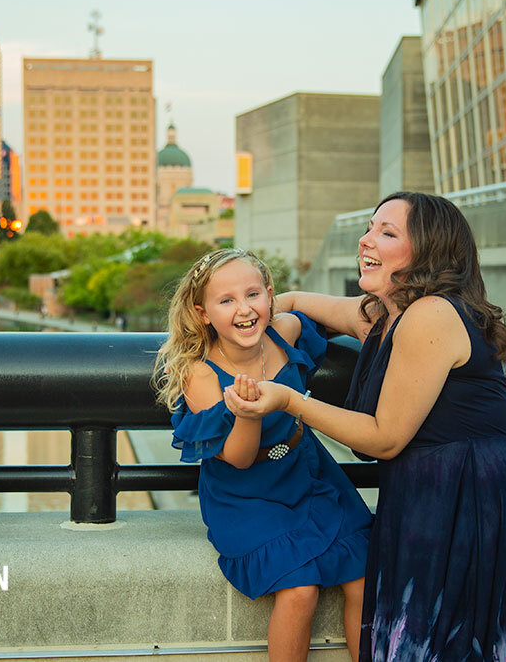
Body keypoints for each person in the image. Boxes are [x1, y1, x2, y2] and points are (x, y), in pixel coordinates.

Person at [224, 193, 506, 662]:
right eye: (370, 227)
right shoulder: (383, 315)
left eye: (387, 233)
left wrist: (290, 399)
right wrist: (253, 324)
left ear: (429, 251)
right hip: (424, 491)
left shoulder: (431, 315)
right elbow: (294, 302)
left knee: (436, 645)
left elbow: (385, 437)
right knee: (407, 641)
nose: (365, 239)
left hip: (467, 497)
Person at [154, 248, 373, 662]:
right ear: (203, 314)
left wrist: (290, 302)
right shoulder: (200, 375)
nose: (244, 310)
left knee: (364, 576)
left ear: (269, 296)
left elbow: (319, 319)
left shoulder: (283, 332)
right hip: (246, 493)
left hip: (307, 470)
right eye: (226, 301)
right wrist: (246, 412)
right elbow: (237, 458)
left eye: (253, 294)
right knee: (299, 589)